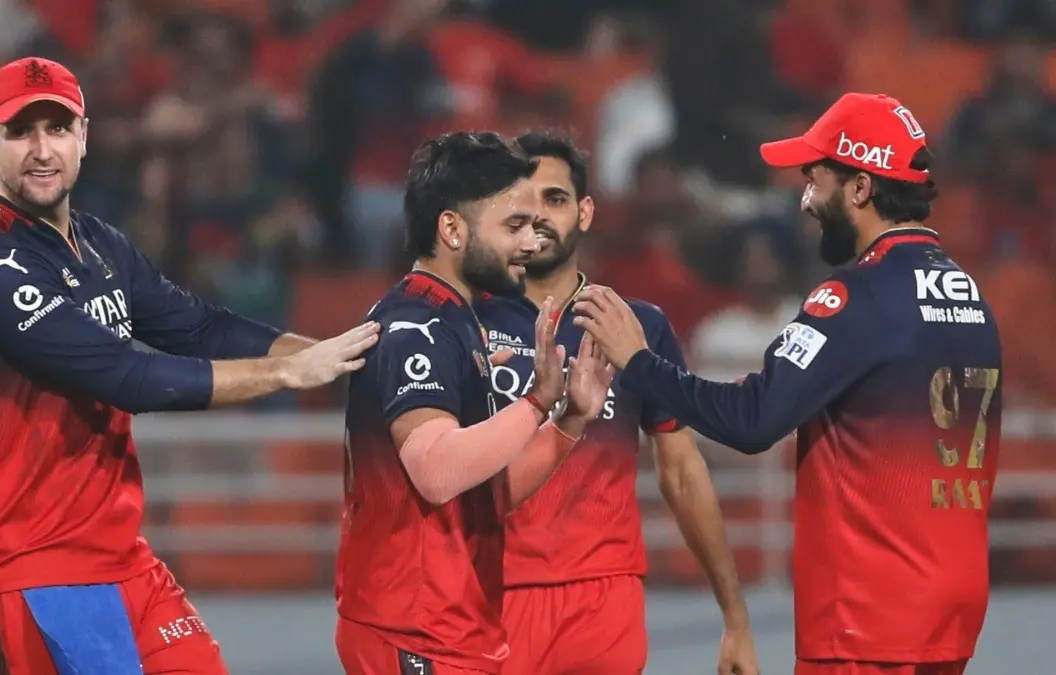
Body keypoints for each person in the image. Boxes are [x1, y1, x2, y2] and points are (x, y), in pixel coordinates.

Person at [0, 57, 379, 675]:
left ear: (83, 136)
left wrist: (338, 356)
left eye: (57, 129)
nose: (42, 149)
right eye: (20, 131)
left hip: (119, 560)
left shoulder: (101, 245)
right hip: (21, 571)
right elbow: (127, 377)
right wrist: (286, 375)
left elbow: (200, 327)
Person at [574, 93, 1003, 675]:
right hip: (951, 611)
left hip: (867, 620)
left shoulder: (855, 297)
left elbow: (752, 421)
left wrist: (639, 361)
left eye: (815, 178)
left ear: (860, 188)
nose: (804, 200)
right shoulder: (971, 296)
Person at [473, 131, 758, 675]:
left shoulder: (635, 327)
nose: (537, 217)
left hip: (604, 602)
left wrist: (735, 616)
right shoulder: (464, 326)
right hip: (489, 595)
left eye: (554, 199)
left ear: (584, 211)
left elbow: (682, 472)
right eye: (520, 203)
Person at [336, 131, 614, 675]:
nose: (530, 244)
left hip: (454, 629)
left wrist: (570, 419)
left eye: (533, 227)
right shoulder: (417, 326)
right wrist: (536, 400)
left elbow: (486, 491)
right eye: (512, 226)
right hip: (413, 630)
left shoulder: (454, 319)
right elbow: (436, 470)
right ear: (452, 229)